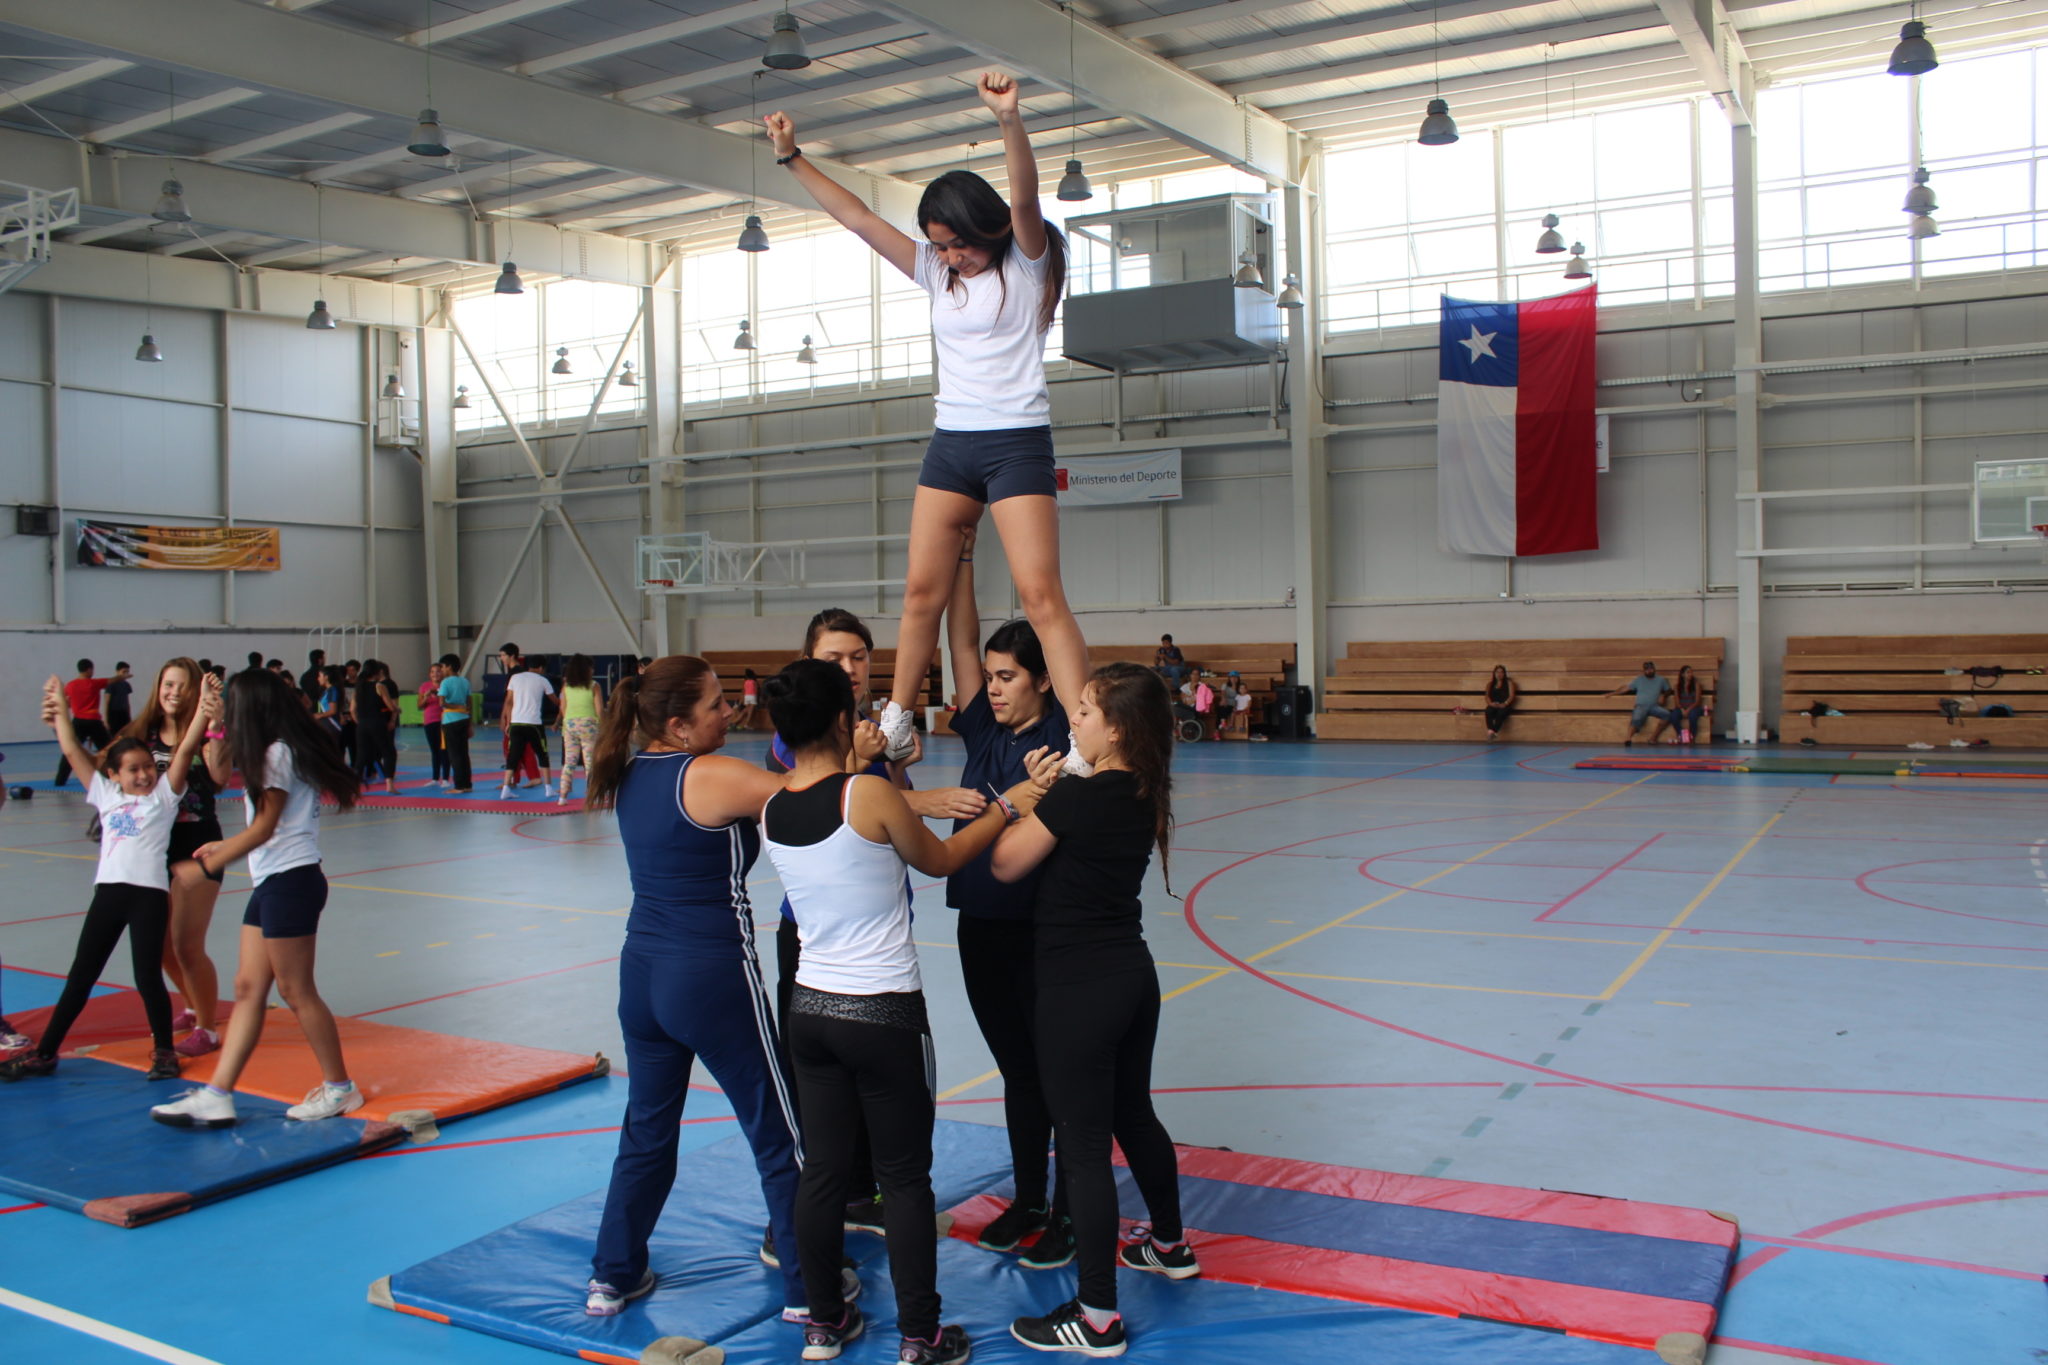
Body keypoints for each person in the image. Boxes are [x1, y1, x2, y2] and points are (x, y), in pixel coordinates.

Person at [765, 72, 1093, 780]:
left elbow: (1026, 197)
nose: (949, 257)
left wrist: (1009, 119)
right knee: (921, 594)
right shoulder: (935, 273)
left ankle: (1084, 735)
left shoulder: (1026, 265)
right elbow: (857, 218)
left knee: (1041, 595)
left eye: (956, 245)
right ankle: (898, 717)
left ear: (984, 229)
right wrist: (792, 158)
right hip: (952, 445)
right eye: (939, 246)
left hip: (1015, 441)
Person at [762, 659, 1059, 1365]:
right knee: (902, 1178)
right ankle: (921, 1335)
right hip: (883, 1013)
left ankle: (823, 1322)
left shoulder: (772, 804)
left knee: (823, 1172)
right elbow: (943, 859)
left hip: (810, 1010)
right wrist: (1010, 803)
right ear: (842, 721)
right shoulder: (866, 793)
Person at [579, 655, 834, 1326]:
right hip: (711, 977)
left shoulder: (633, 773)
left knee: (647, 1130)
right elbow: (820, 796)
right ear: (678, 726)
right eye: (716, 704)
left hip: (642, 978)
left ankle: (612, 1274)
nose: (731, 711)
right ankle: (810, 1292)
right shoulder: (710, 774)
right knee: (779, 1133)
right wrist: (913, 793)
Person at [763, 608, 986, 1248]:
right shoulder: (802, 728)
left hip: (877, 928)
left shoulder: (871, 728)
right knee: (827, 1098)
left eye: (859, 656)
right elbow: (835, 799)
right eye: (835, 658)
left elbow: (876, 801)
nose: (851, 668)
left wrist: (893, 763)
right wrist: (925, 799)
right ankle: (797, 1226)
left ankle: (862, 1197)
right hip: (818, 942)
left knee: (861, 1095)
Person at [994, 662, 1198, 1356]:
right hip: (1130, 978)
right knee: (1132, 1113)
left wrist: (1033, 797)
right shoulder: (1142, 787)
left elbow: (1006, 862)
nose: (1072, 718)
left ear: (1116, 730)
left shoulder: (1082, 795)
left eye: (1084, 710)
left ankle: (1099, 1316)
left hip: (1079, 987)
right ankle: (1169, 1244)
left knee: (1082, 1147)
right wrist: (1067, 782)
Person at [942, 526, 1075, 1266]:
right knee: (1019, 1071)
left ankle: (1068, 1211)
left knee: (1056, 1071)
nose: (993, 686)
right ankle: (1028, 1197)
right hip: (980, 927)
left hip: (1039, 929)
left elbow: (1059, 640)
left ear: (1042, 680)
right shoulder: (981, 733)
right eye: (990, 676)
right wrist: (963, 558)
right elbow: (959, 639)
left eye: (1008, 676)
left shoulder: (1060, 736)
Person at [149, 669, 363, 1128]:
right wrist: (213, 725)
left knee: (296, 990)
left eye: (233, 705)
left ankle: (340, 1087)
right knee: (248, 988)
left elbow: (266, 827)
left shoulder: (277, 753)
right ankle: (218, 1094)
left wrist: (210, 863)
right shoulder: (272, 749)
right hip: (273, 882)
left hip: (291, 881)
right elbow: (236, 790)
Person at [0, 675, 213, 1083]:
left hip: (149, 897)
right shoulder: (105, 795)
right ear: (113, 774)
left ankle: (164, 1052)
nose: (144, 775)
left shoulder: (164, 798)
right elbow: (71, 749)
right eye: (133, 769)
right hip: (109, 896)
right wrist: (62, 712)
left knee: (147, 976)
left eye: (149, 767)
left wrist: (203, 709)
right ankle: (46, 1052)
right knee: (81, 976)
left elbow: (186, 749)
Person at [123, 658, 233, 1058]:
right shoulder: (142, 733)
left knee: (187, 944)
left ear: (195, 693)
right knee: (160, 945)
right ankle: (192, 1005)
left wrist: (216, 724)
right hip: (154, 847)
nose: (173, 692)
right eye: (168, 684)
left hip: (197, 844)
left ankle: (208, 1028)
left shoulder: (205, 732)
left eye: (182, 686)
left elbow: (220, 778)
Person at [500, 656, 555, 800]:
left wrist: (508, 722)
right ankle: (548, 788)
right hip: (533, 724)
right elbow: (555, 700)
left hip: (516, 723)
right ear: (541, 668)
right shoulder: (542, 680)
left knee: (513, 756)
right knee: (542, 754)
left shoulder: (515, 678)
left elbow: (509, 702)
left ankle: (505, 789)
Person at [52, 658, 112, 787]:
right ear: (89, 669)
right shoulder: (94, 683)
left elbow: (64, 700)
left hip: (78, 721)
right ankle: (115, 774)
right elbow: (112, 680)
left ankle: (60, 780)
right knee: (108, 750)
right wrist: (122, 676)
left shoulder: (71, 685)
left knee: (71, 749)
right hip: (93, 721)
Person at [557, 653, 605, 807]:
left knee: (569, 761)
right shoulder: (594, 685)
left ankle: (562, 796)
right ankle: (592, 795)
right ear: (587, 669)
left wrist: (570, 722)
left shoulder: (566, 687)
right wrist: (603, 726)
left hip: (570, 725)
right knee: (590, 762)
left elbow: (563, 708)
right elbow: (599, 709)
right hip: (589, 725)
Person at [355, 659, 400, 795]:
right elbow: (390, 706)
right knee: (388, 752)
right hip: (377, 723)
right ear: (378, 672)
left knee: (362, 755)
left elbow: (352, 709)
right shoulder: (379, 686)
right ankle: (389, 784)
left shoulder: (359, 687)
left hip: (362, 724)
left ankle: (354, 785)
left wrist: (360, 722)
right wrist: (397, 709)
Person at [1607, 661, 1672, 747]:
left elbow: (1669, 690)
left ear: (1654, 669)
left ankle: (1653, 738)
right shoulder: (1639, 679)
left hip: (1654, 706)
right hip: (1641, 706)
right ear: (1644, 671)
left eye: (1651, 669)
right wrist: (1613, 693)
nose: (1649, 671)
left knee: (1667, 715)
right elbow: (1626, 688)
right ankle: (1628, 739)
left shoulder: (1661, 680)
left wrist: (1664, 696)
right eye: (1647, 669)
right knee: (1637, 718)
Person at [437, 655, 475, 793]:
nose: (442, 670)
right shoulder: (465, 681)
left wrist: (453, 706)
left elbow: (441, 702)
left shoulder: (445, 682)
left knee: (454, 755)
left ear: (449, 667)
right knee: (464, 753)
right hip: (464, 719)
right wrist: (470, 722)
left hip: (451, 720)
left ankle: (459, 786)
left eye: (442, 667)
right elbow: (469, 703)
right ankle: (467, 784)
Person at [419, 662, 449, 788]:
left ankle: (446, 778)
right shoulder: (425, 686)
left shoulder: (446, 685)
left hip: (444, 721)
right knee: (434, 750)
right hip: (429, 721)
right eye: (432, 672)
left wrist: (439, 694)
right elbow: (419, 706)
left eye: (438, 671)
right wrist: (426, 697)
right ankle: (435, 778)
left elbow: (449, 701)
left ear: (442, 672)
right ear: (429, 674)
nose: (435, 674)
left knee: (444, 750)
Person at [1671, 665, 1709, 745]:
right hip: (1682, 708)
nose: (1690, 674)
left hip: (1694, 707)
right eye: (1688, 672)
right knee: (1673, 716)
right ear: (1682, 674)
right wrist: (1682, 709)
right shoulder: (1677, 686)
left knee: (1693, 716)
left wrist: (1688, 709)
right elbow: (1677, 702)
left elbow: (1697, 701)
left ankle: (1692, 736)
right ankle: (1681, 734)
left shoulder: (1696, 685)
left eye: (1691, 672)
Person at [1483, 664, 1518, 741]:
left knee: (1501, 712)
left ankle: (1494, 732)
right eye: (1497, 672)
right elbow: (1487, 696)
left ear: (1504, 674)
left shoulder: (1509, 683)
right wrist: (1491, 704)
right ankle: (1490, 730)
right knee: (1488, 710)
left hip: (1505, 705)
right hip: (1494, 704)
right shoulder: (1490, 684)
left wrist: (1505, 703)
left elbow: (1511, 696)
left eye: (1501, 672)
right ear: (1494, 673)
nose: (1499, 674)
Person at [104, 662, 134, 734]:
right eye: (124, 672)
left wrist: (129, 716)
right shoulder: (111, 684)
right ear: (117, 672)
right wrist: (106, 720)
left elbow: (127, 701)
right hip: (113, 713)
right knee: (114, 734)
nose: (125, 674)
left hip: (124, 713)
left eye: (127, 672)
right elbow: (106, 702)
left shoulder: (126, 685)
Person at [734, 668, 761, 732]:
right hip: (752, 696)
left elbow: (743, 691)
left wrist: (741, 701)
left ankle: (735, 722)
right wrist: (757, 699)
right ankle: (746, 724)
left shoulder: (745, 682)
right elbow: (756, 691)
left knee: (745, 710)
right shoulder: (754, 682)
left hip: (747, 697)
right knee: (750, 712)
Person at [1228, 672, 1252, 739]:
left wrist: (1245, 709)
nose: (1242, 690)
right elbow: (1235, 704)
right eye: (1241, 688)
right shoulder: (1237, 696)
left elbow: (1249, 705)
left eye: (1244, 688)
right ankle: (1231, 726)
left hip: (1245, 710)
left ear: (1246, 689)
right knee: (1232, 713)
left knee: (1242, 714)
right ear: (1239, 689)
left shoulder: (1248, 696)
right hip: (1238, 710)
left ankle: (1242, 726)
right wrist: (1234, 708)